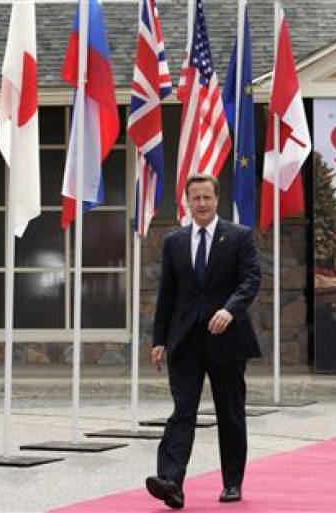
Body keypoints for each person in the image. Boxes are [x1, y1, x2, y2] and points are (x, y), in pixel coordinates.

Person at [145, 174, 261, 509]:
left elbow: (251, 280)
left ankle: (232, 483)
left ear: (217, 199)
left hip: (227, 340)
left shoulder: (239, 237)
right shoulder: (174, 241)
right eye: (195, 198)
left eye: (207, 198)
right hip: (186, 343)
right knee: (182, 411)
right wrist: (159, 339)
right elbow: (167, 294)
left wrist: (230, 310)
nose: (202, 204)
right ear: (187, 201)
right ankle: (170, 482)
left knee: (230, 413)